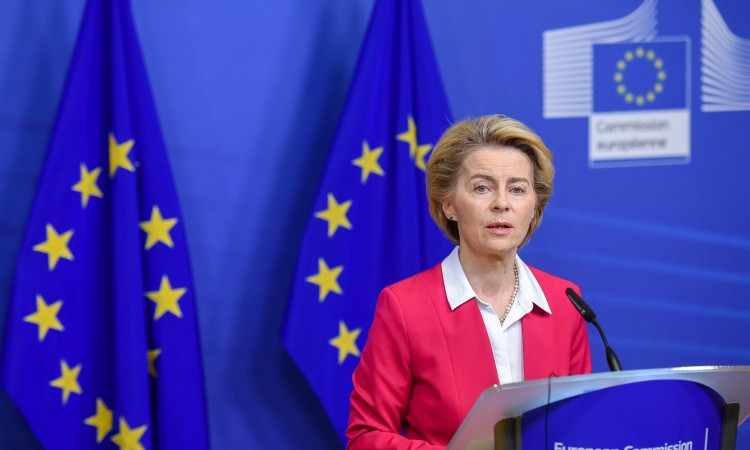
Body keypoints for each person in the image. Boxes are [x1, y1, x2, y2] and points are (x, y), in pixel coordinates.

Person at [346, 115, 592, 449]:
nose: (502, 203)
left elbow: (579, 430)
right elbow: (366, 437)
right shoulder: (405, 307)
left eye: (517, 189)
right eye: (482, 188)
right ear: (448, 204)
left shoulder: (565, 301)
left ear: (534, 207)